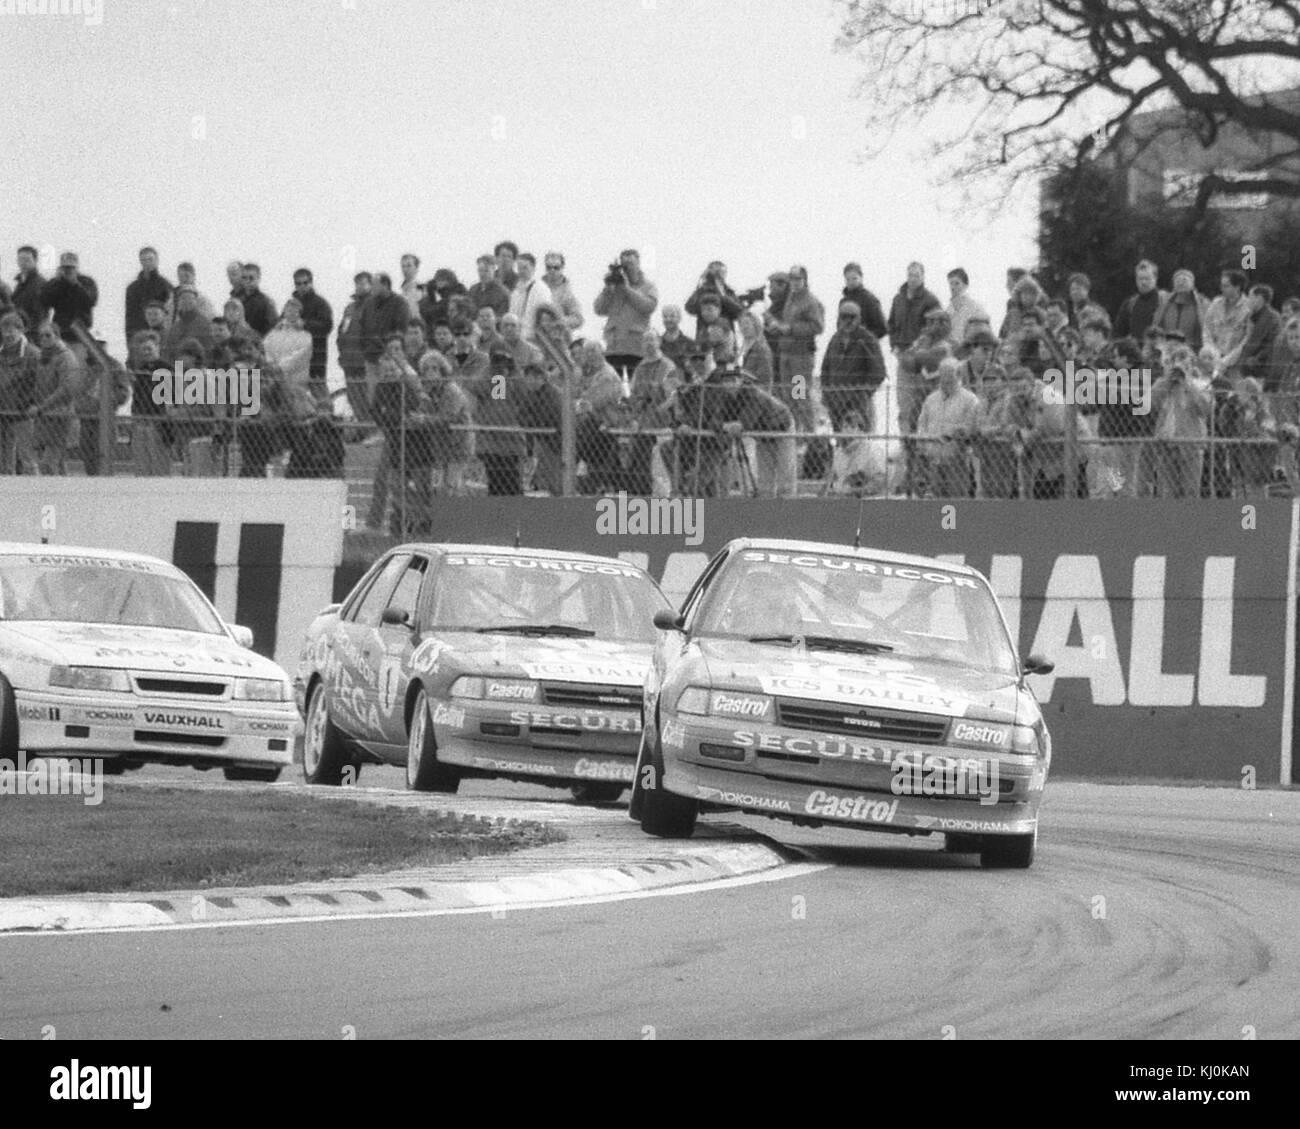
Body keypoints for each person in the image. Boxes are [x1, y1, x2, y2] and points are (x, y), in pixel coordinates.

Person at [767, 264, 824, 433]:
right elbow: (787, 323)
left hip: (800, 356)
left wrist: (790, 329)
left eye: (798, 278)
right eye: (792, 278)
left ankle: (808, 434)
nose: (795, 282)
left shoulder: (811, 301)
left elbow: (817, 327)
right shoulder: (791, 298)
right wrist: (777, 328)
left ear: (805, 280)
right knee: (787, 397)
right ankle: (795, 432)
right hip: (786, 354)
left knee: (799, 395)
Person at [1150, 345, 1212, 497]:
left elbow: (1206, 410)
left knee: (1190, 491)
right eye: (1178, 363)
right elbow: (1150, 404)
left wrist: (1187, 383)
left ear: (1192, 365)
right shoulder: (1163, 383)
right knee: (1168, 492)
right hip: (1166, 443)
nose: (1182, 368)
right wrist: (1167, 380)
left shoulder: (1201, 384)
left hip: (1191, 444)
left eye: (1186, 364)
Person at [915, 357, 980, 497]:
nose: (945, 380)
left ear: (959, 375)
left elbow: (970, 427)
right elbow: (922, 424)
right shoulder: (930, 399)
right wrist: (923, 446)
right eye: (942, 375)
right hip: (932, 461)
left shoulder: (970, 400)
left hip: (957, 462)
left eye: (949, 375)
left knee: (957, 499)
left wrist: (954, 432)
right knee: (936, 501)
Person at [627, 328, 681, 495]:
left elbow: (675, 394)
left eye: (652, 339)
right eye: (646, 340)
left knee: (661, 469)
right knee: (641, 467)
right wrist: (634, 417)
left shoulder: (667, 366)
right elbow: (634, 394)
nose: (649, 343)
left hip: (662, 425)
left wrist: (663, 407)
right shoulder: (640, 368)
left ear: (659, 342)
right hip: (643, 425)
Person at [820, 301, 886, 432]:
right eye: (844, 317)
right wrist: (826, 392)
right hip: (836, 400)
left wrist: (863, 393)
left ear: (859, 318)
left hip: (857, 402)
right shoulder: (835, 339)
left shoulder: (867, 340)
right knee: (840, 438)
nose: (848, 321)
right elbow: (825, 368)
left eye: (852, 317)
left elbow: (878, 372)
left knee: (859, 439)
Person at [592, 248, 658, 380]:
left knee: (636, 385)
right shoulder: (614, 287)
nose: (628, 268)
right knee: (613, 383)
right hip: (613, 346)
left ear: (638, 263)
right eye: (625, 265)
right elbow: (598, 309)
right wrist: (607, 290)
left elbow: (648, 306)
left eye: (631, 264)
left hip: (636, 347)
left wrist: (627, 289)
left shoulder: (648, 286)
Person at [572, 339, 626, 493]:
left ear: (602, 352)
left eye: (593, 351)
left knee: (580, 434)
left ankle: (583, 477)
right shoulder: (587, 373)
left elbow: (591, 402)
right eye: (587, 351)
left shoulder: (606, 374)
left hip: (606, 423)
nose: (590, 355)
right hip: (593, 424)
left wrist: (578, 403)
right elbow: (577, 397)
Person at [471, 351, 528, 496]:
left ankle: (515, 515)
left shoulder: (514, 380)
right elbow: (476, 387)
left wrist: (513, 371)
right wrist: (491, 370)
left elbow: (524, 393)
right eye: (496, 362)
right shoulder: (489, 378)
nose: (500, 366)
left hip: (511, 442)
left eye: (504, 362)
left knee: (513, 484)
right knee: (495, 483)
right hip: (491, 442)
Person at [27, 322, 80, 474]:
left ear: (57, 336)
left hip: (60, 416)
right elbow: (36, 385)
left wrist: (41, 406)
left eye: (48, 335)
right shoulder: (42, 358)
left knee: (48, 463)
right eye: (41, 335)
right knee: (58, 464)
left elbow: (66, 388)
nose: (44, 339)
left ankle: (51, 495)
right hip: (44, 417)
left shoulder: (66, 357)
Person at [75, 339, 130, 476]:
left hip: (106, 420)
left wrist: (103, 403)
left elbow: (123, 393)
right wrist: (82, 406)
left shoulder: (114, 366)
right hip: (86, 419)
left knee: (105, 458)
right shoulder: (84, 366)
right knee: (88, 458)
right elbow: (76, 391)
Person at [358, 273, 410, 408]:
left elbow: (401, 328)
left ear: (385, 285)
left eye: (375, 284)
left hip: (390, 358)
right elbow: (362, 326)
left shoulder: (399, 303)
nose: (372, 288)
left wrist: (388, 346)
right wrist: (365, 347)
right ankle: (375, 422)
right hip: (371, 357)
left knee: (389, 394)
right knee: (372, 396)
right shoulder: (368, 303)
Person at [39, 252, 99, 362]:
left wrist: (75, 284)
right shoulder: (56, 282)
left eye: (71, 268)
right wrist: (57, 282)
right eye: (66, 268)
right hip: (60, 331)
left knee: (77, 365)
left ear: (77, 267)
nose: (68, 271)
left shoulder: (86, 282)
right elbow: (44, 300)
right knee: (59, 362)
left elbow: (91, 301)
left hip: (80, 333)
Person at [128, 330, 171, 476]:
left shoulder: (166, 368)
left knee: (158, 460)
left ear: (157, 347)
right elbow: (137, 396)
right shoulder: (141, 370)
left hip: (158, 420)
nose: (146, 353)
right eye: (143, 350)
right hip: (141, 418)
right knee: (141, 460)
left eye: (149, 349)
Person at [0, 311, 37, 474]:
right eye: (4, 330)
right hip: (3, 411)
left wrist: (32, 403)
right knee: (4, 460)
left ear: (21, 330)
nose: (7, 334)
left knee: (27, 457)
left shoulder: (33, 354)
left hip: (24, 411)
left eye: (11, 330)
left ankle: (37, 493)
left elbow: (39, 383)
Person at [291, 268, 334, 405]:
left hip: (316, 357)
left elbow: (326, 326)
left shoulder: (320, 303)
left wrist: (305, 324)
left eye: (305, 283)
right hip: (296, 358)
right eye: (298, 284)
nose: (302, 286)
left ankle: (328, 422)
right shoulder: (291, 304)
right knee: (296, 395)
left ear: (311, 282)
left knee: (320, 395)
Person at [336, 271, 372, 422]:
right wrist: (341, 351)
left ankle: (371, 428)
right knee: (354, 398)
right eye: (357, 283)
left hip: (365, 362)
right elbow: (341, 332)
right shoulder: (349, 308)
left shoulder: (374, 307)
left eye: (363, 283)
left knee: (367, 398)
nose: (359, 286)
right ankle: (363, 428)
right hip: (349, 361)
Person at [1152, 268, 1208, 351]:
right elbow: (1157, 325)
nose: (1181, 282)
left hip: (1193, 349)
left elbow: (1206, 328)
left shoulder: (1202, 303)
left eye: (1185, 280)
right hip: (1166, 349)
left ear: (1192, 283)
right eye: (1178, 280)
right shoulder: (1165, 304)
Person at [125, 246, 173, 339]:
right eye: (144, 260)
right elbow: (129, 317)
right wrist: (130, 338)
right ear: (140, 262)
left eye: (150, 259)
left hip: (161, 337)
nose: (147, 263)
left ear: (157, 261)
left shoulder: (165, 286)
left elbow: (170, 314)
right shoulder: (132, 289)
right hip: (138, 336)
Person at [1113, 259, 1167, 341]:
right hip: (1135, 351)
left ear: (1155, 278)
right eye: (1140, 279)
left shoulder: (1166, 300)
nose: (1143, 282)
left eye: (1147, 278)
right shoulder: (1129, 304)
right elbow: (1118, 332)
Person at [1238, 284, 1282, 383]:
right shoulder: (1253, 316)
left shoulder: (1270, 317)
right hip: (1252, 367)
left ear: (1259, 299)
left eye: (1250, 297)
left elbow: (1268, 344)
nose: (1248, 301)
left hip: (1261, 369)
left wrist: (1252, 359)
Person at [684, 261, 743, 334]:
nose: (721, 274)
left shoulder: (728, 292)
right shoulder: (702, 290)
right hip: (705, 335)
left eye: (723, 271)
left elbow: (739, 312)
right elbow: (689, 307)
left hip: (726, 336)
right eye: (718, 271)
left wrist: (723, 296)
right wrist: (700, 285)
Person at [162, 285, 213, 362]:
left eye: (190, 298)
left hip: (197, 368)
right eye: (183, 298)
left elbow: (209, 349)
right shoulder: (175, 327)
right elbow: (168, 351)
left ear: (196, 301)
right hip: (177, 368)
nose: (186, 301)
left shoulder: (205, 324)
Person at [508, 253, 553, 341]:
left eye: (525, 268)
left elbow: (544, 318)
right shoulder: (516, 291)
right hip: (516, 338)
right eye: (519, 268)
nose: (521, 271)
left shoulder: (541, 289)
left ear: (533, 268)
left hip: (532, 339)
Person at [841, 262, 888, 340]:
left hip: (865, 349)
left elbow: (882, 329)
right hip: (847, 348)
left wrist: (865, 339)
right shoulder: (843, 302)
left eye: (854, 278)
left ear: (861, 278)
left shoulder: (870, 300)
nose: (851, 282)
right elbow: (840, 327)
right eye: (848, 279)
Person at [542, 253, 584, 334]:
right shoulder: (536, 287)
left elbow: (578, 319)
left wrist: (561, 320)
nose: (552, 270)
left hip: (557, 338)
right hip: (536, 336)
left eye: (556, 268)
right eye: (549, 267)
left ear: (562, 268)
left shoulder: (567, 293)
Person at [945, 268, 989, 345]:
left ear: (965, 286)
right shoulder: (949, 309)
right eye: (951, 283)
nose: (953, 287)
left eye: (957, 283)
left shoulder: (975, 308)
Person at [11, 246, 45, 341]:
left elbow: (40, 314)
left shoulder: (40, 284)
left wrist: (27, 331)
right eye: (21, 259)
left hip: (31, 336)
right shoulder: (20, 283)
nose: (23, 263)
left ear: (35, 261)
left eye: (27, 260)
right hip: (17, 333)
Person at [737, 309, 775, 392]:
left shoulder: (761, 348)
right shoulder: (739, 347)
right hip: (739, 391)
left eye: (747, 323)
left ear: (756, 325)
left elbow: (765, 376)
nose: (744, 327)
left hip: (755, 393)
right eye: (742, 324)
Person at [238, 264, 277, 337]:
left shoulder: (266, 302)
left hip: (257, 344)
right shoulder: (237, 300)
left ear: (258, 279)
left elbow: (272, 330)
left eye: (251, 278)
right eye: (244, 278)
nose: (247, 281)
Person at [468, 254, 511, 319]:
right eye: (480, 270)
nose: (482, 274)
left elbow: (502, 316)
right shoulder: (473, 289)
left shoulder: (502, 292)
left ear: (494, 269)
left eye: (486, 271)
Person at [659, 304, 694, 373]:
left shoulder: (690, 344)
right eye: (665, 316)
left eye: (672, 316)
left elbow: (693, 371)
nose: (668, 319)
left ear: (679, 318)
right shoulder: (657, 343)